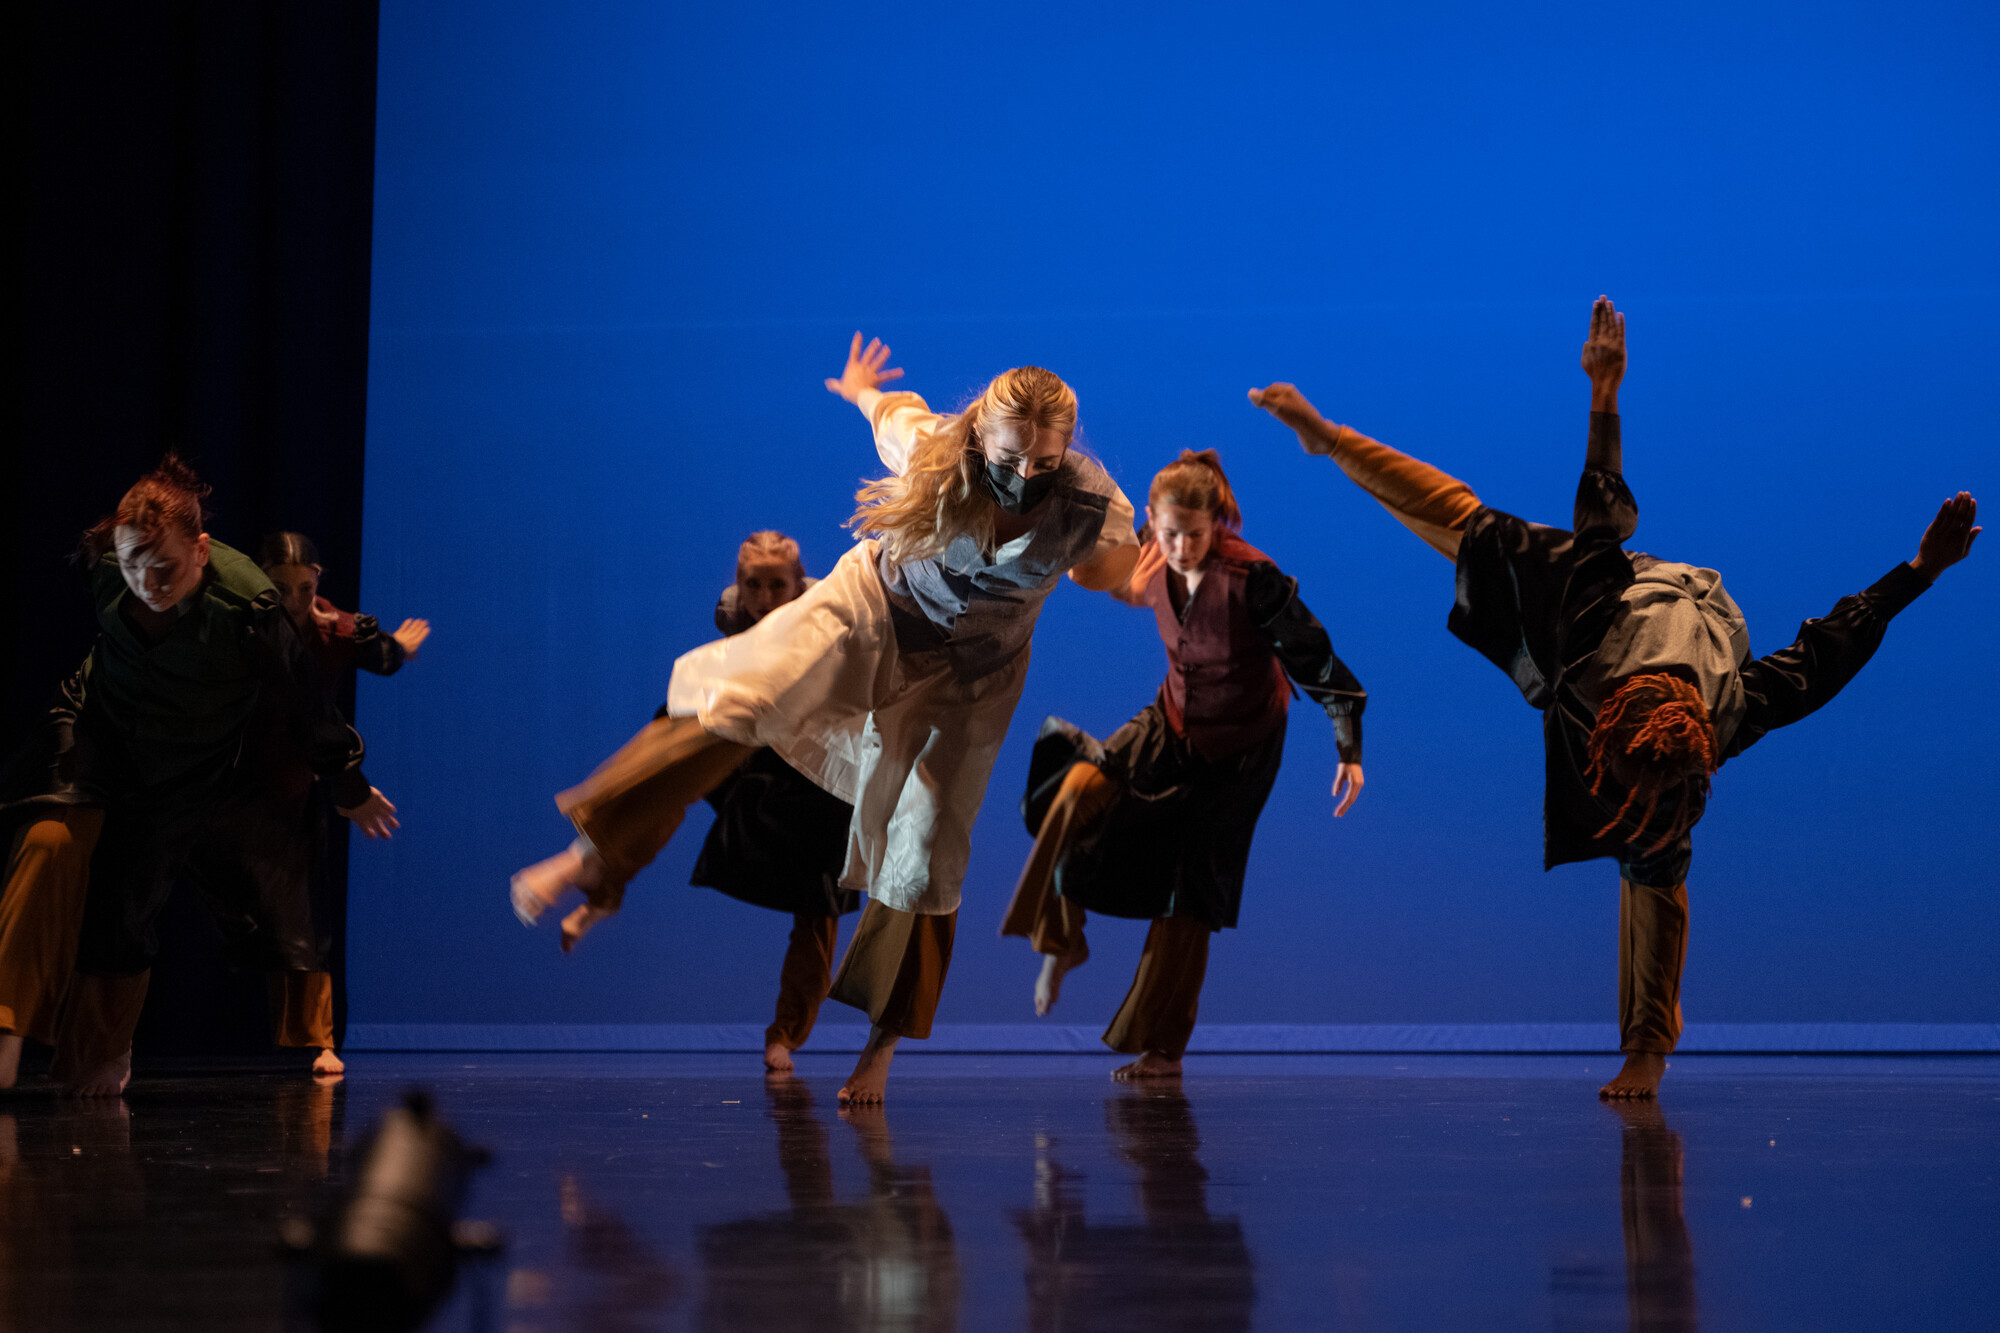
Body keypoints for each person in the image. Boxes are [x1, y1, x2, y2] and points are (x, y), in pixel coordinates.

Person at [1249, 295, 1980, 1100]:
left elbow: (1833, 645)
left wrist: (1921, 570)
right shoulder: (1588, 636)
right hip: (1601, 609)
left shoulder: (1726, 712)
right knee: (1468, 526)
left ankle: (1646, 1047)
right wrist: (1604, 389)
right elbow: (1603, 509)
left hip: (1677, 619)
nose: (1643, 801)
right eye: (1638, 787)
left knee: (1658, 861)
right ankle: (1333, 444)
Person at [511, 333, 1141, 1103]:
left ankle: (878, 1047)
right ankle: (592, 849)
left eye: (1042, 463)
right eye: (1009, 459)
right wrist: (856, 388)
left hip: (971, 674)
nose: (1023, 477)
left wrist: (1125, 577)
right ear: (980, 432)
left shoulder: (1086, 500)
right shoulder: (936, 450)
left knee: (927, 847)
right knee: (745, 690)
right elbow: (889, 407)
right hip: (874, 605)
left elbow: (1113, 567)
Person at [0, 458, 396, 1096]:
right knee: (49, 841)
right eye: (133, 566)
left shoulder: (248, 607)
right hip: (93, 729)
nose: (146, 582)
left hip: (185, 764)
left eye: (165, 569)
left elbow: (305, 705)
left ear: (202, 550)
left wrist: (349, 789)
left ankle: (95, 1055)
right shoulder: (106, 567)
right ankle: (6, 1035)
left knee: (124, 905)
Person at [1000, 449, 1367, 1080]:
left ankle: (1163, 1049)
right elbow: (1123, 584)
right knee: (1074, 787)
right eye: (1168, 533)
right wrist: (1129, 590)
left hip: (1240, 749)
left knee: (1188, 898)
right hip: (1170, 719)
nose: (1181, 547)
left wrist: (1349, 749)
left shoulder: (1256, 581)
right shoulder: (1154, 551)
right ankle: (1063, 941)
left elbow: (1318, 660)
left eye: (1195, 535)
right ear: (1152, 520)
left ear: (1218, 523)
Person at [232, 531, 430, 1076]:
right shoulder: (242, 622)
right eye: (280, 588)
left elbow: (379, 654)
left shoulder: (333, 626)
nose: (294, 601)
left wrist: (400, 648)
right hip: (224, 776)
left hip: (295, 779)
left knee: (301, 911)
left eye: (304, 588)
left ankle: (315, 1039)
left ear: (318, 580)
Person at [678, 531, 859, 1073]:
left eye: (775, 586)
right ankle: (599, 875)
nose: (762, 599)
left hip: (823, 766)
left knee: (818, 906)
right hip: (759, 753)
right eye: (751, 585)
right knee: (668, 735)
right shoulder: (733, 614)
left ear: (797, 584)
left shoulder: (825, 612)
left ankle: (785, 1034)